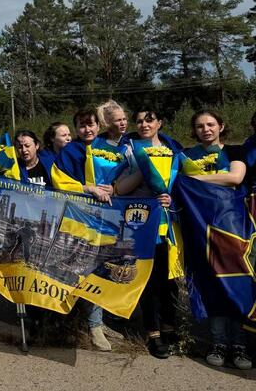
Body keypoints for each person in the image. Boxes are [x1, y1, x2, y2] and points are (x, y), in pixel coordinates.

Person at [51, 109, 130, 351]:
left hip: (108, 218)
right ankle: (92, 326)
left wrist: (114, 188)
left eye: (91, 125)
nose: (87, 129)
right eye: (82, 125)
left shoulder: (110, 149)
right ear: (76, 129)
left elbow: (125, 175)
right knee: (85, 269)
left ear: (99, 126)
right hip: (79, 217)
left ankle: (99, 320)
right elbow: (58, 180)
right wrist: (89, 188)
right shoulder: (70, 151)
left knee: (105, 268)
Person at [182, 110, 250, 370]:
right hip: (201, 228)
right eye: (200, 126)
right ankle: (218, 342)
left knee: (237, 283)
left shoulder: (235, 151)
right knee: (211, 283)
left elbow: (235, 178)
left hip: (234, 228)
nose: (206, 129)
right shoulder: (186, 155)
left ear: (221, 126)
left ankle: (240, 344)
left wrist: (194, 179)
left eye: (211, 124)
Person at [113, 108, 182, 359]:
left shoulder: (174, 149)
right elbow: (118, 188)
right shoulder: (129, 150)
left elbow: (184, 184)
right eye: (139, 120)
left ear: (160, 123)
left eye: (149, 119)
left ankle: (170, 326)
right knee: (148, 280)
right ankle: (152, 332)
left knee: (169, 279)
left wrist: (170, 196)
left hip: (169, 224)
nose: (144, 124)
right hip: (140, 224)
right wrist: (145, 167)